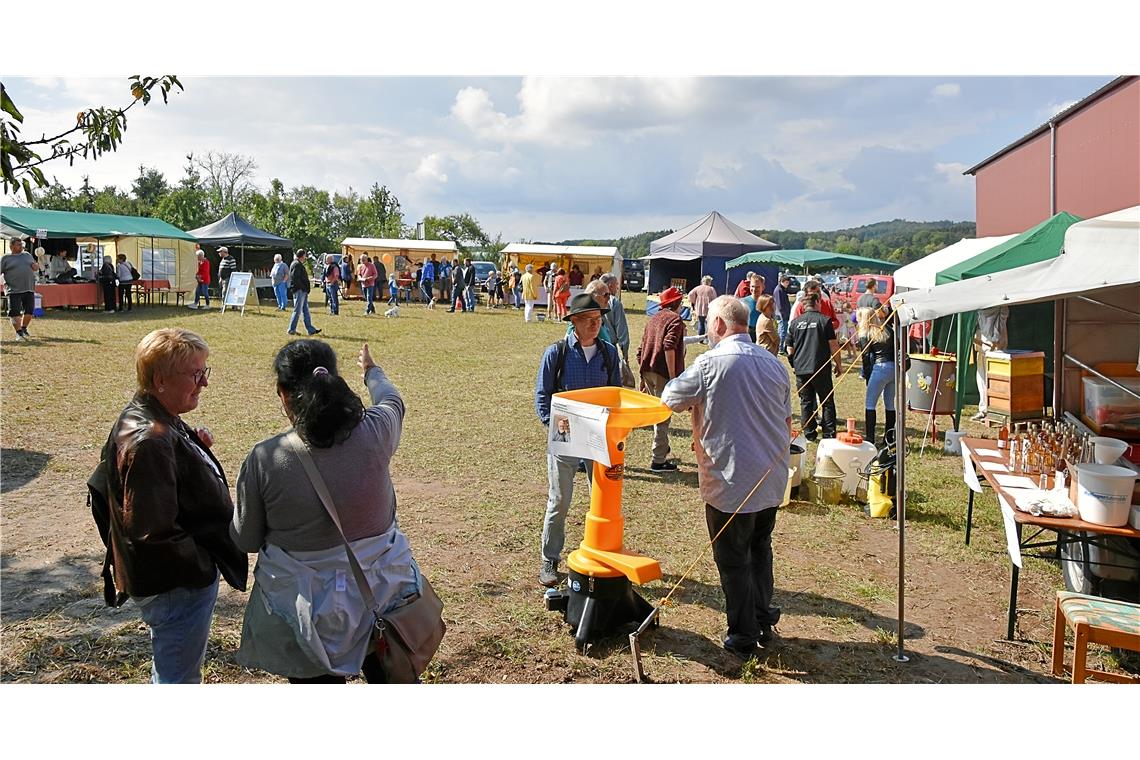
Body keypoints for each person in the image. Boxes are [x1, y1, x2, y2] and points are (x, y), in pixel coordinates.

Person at [233, 340, 426, 683]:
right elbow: (393, 400)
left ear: (283, 394)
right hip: (384, 593)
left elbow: (246, 538)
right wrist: (371, 370)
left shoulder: (265, 458)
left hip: (309, 612)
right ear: (335, 381)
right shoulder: (376, 430)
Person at [98, 328, 248, 682]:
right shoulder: (151, 439)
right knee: (177, 680)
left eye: (204, 372)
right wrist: (203, 567)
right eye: (195, 374)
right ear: (160, 379)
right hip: (175, 585)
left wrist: (192, 448)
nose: (204, 383)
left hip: (172, 581)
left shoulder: (155, 415)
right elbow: (153, 532)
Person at [661, 296, 790, 656]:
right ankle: (762, 619)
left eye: (708, 325)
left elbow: (670, 397)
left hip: (732, 482)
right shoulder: (775, 365)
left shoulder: (710, 363)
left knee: (734, 559)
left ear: (718, 324)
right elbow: (787, 422)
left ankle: (744, 635)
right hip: (770, 478)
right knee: (760, 550)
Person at [534, 293, 622, 587]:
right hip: (565, 434)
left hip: (597, 437)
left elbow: (616, 395)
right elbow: (542, 395)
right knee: (559, 500)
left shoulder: (609, 353)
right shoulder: (556, 352)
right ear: (574, 322)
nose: (596, 325)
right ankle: (550, 557)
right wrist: (552, 426)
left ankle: (599, 553)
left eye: (599, 320)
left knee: (602, 501)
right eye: (589, 320)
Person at [637, 286, 686, 472]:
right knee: (663, 416)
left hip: (648, 369)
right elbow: (668, 347)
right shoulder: (675, 319)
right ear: (678, 303)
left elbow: (641, 348)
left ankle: (663, 447)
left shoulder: (653, 319)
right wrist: (673, 378)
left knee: (659, 414)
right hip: (662, 372)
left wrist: (642, 375)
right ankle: (658, 460)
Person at [785, 293, 842, 441]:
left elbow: (789, 348)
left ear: (803, 305)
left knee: (806, 401)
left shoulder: (795, 323)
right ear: (817, 302)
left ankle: (809, 433)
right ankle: (829, 433)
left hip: (801, 369)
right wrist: (839, 364)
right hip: (820, 367)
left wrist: (793, 364)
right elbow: (833, 345)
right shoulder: (825, 321)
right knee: (827, 401)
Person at [855, 307, 896, 444]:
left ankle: (870, 438)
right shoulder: (888, 330)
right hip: (893, 368)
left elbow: (866, 358)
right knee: (890, 403)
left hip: (880, 368)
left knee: (870, 404)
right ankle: (889, 438)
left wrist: (867, 376)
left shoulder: (865, 334)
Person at [973, 306, 1009, 421]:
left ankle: (995, 411)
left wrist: (996, 340)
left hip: (995, 348)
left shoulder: (1000, 306)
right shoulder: (979, 306)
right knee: (981, 378)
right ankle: (983, 409)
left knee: (994, 380)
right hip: (982, 346)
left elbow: (1003, 316)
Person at [2, 237, 40, 341]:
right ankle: (18, 333)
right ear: (11, 246)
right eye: (18, 245)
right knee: (15, 312)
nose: (21, 247)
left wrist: (35, 266)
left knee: (29, 311)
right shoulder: (5, 258)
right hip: (13, 289)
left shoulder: (27, 255)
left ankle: (23, 329)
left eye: (21, 244)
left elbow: (33, 266)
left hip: (28, 288)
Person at [287, 250, 321, 336]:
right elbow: (296, 278)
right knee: (297, 310)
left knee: (305, 310)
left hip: (302, 290)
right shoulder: (297, 264)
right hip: (299, 290)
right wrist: (303, 288)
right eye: (305, 256)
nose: (305, 257)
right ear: (302, 256)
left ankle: (310, 329)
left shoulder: (297, 264)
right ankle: (291, 329)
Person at [600, 273, 630, 362]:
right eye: (616, 285)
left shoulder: (591, 298)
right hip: (609, 347)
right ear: (610, 285)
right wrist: (625, 355)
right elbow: (621, 330)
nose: (617, 288)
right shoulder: (614, 302)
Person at [739, 274, 766, 343]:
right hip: (747, 332)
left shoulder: (766, 302)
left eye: (757, 287)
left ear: (763, 287)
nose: (754, 289)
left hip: (762, 332)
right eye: (752, 286)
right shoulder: (743, 302)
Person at [772, 274, 793, 353]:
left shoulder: (782, 289)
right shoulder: (779, 290)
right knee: (782, 331)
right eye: (787, 282)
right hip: (781, 315)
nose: (788, 284)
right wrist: (784, 315)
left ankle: (780, 347)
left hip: (783, 314)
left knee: (782, 331)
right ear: (782, 282)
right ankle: (780, 348)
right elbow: (780, 304)